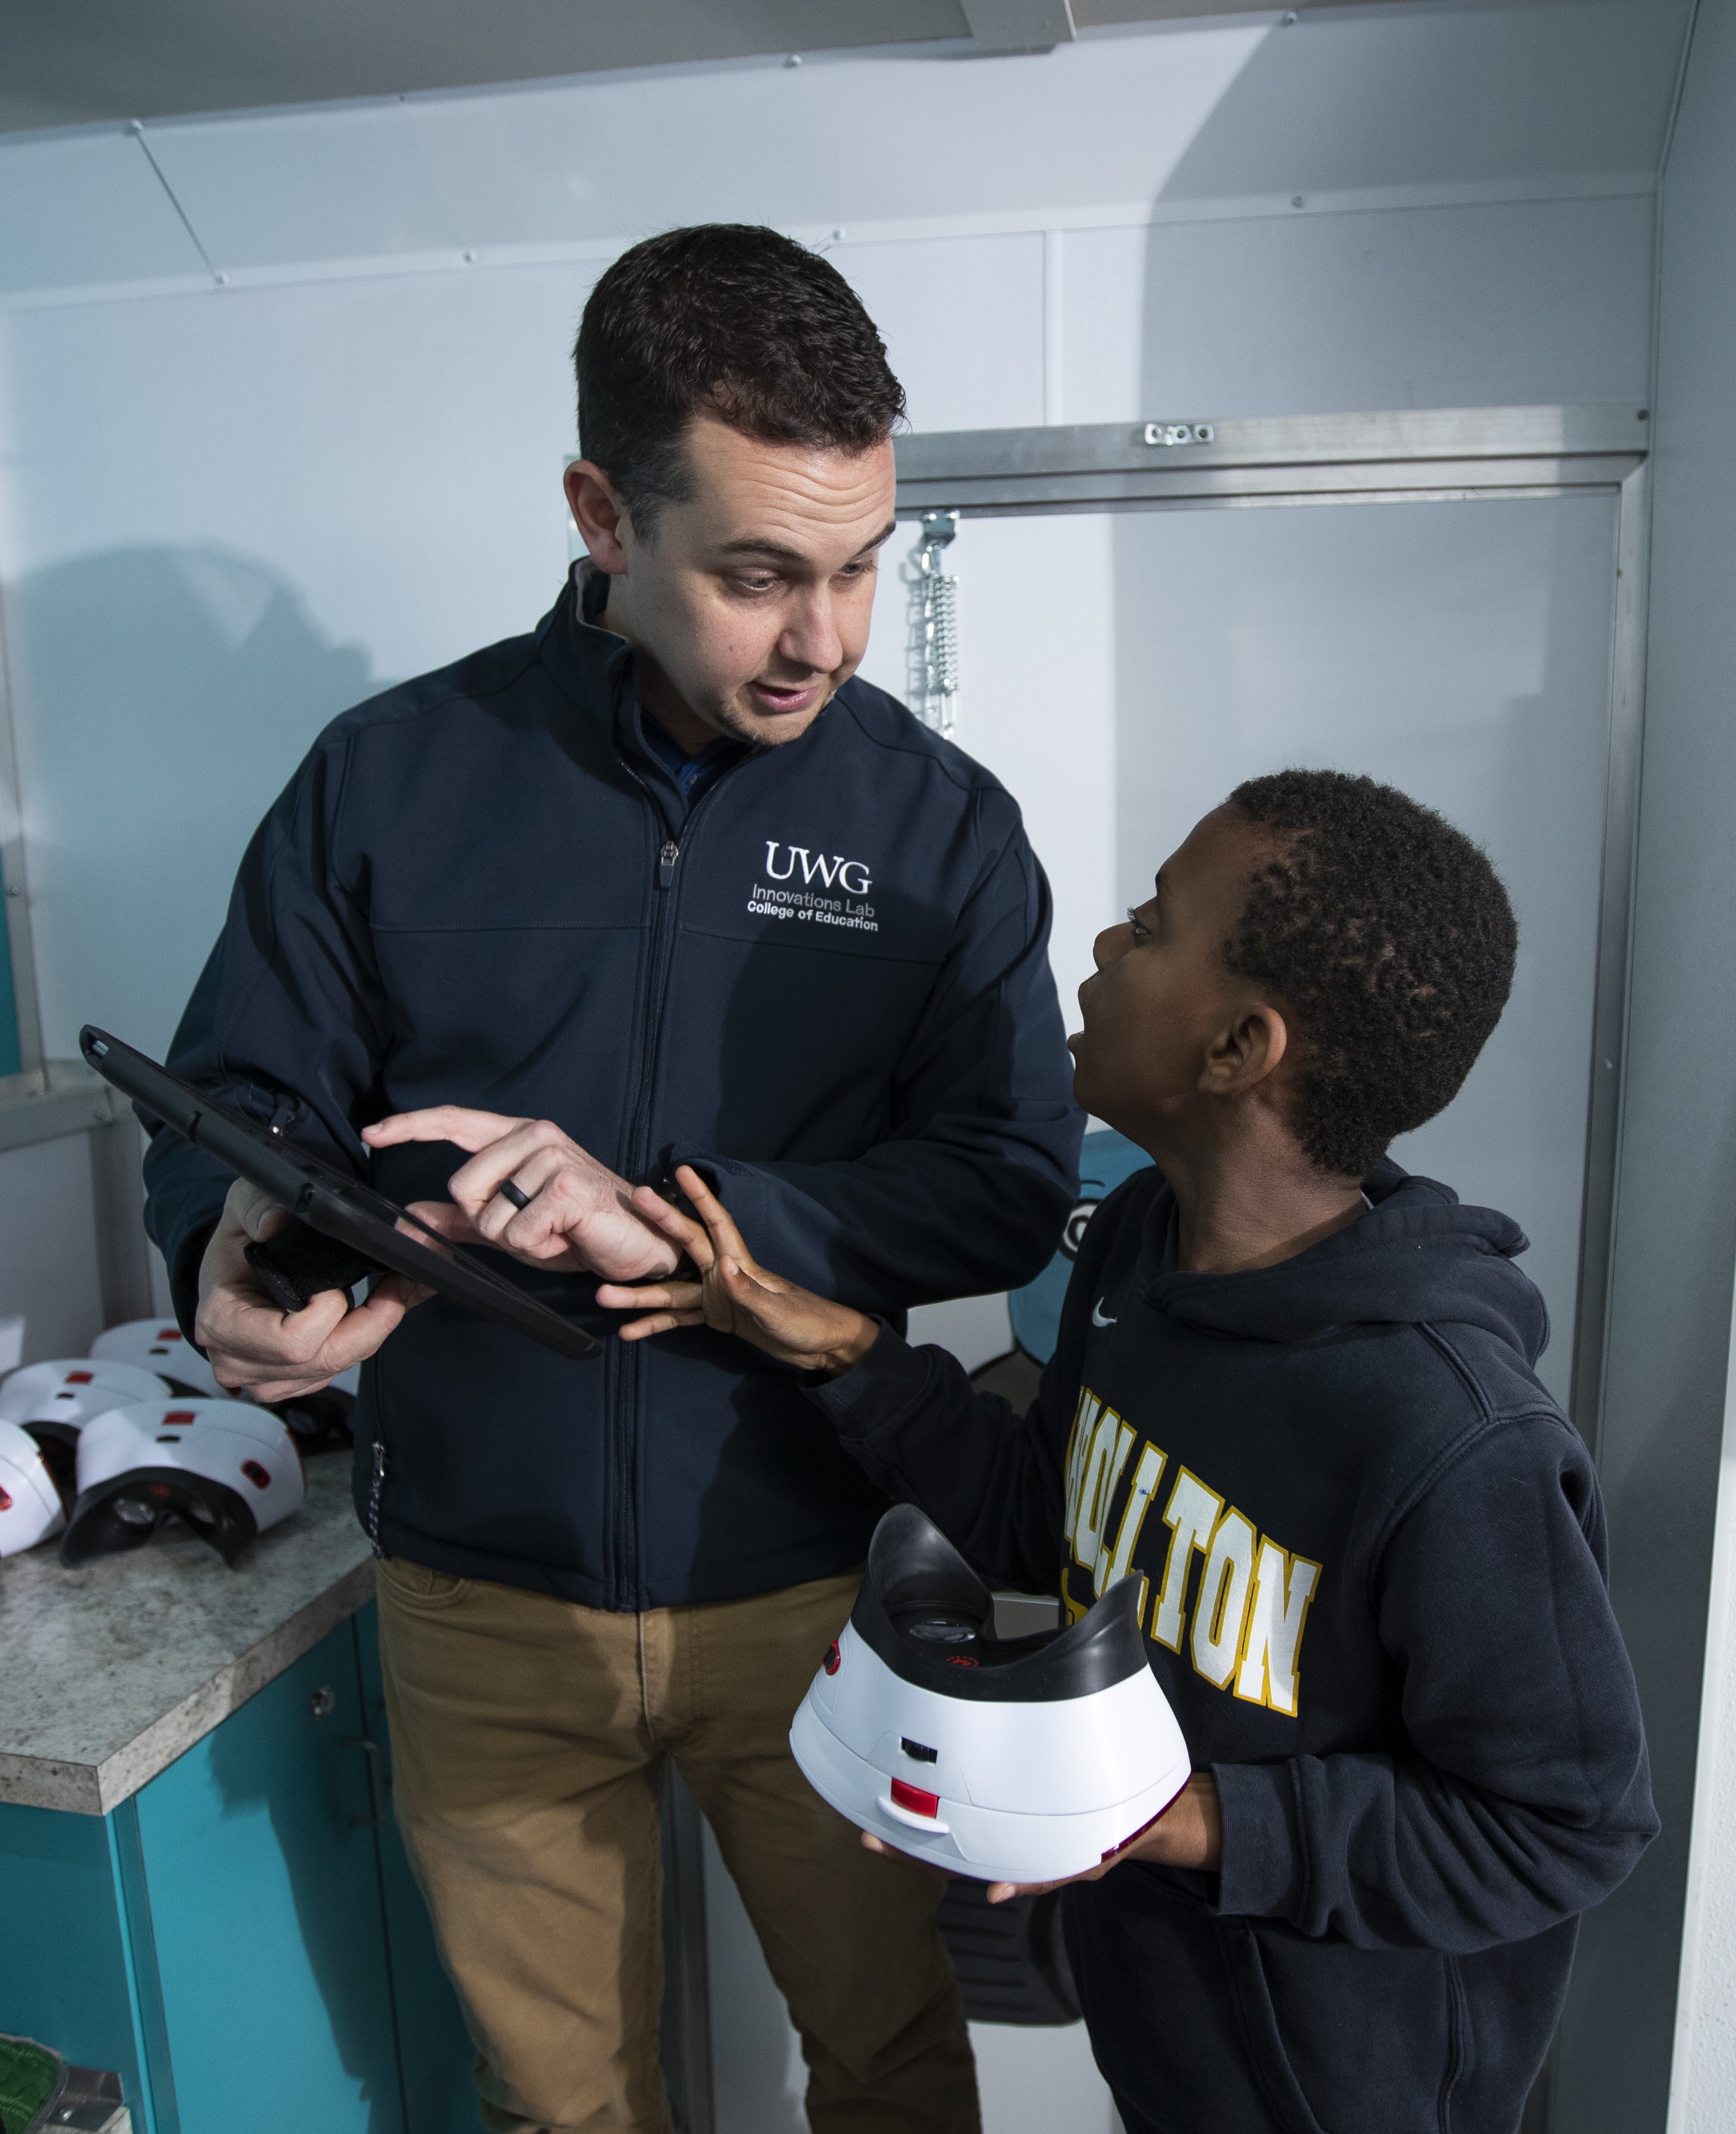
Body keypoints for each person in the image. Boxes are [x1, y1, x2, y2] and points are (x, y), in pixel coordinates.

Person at [142, 225, 1082, 2134]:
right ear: (600, 512)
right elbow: (241, 1092)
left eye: (855, 562)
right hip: (477, 1592)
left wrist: (691, 1226)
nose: (820, 633)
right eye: (756, 574)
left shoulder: (935, 826)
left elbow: (998, 1181)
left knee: (893, 2063)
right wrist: (220, 1248)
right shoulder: (383, 780)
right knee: (559, 2100)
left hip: (815, 1575)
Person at [604, 769, 1661, 2134]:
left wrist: (1177, 1820)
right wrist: (841, 1352)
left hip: (1348, 2091)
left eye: (1149, 926)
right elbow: (1054, 1524)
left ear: (1236, 1049)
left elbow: (1567, 1826)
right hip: (1166, 2026)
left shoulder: (1447, 1430)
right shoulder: (1131, 1250)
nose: (1103, 950)